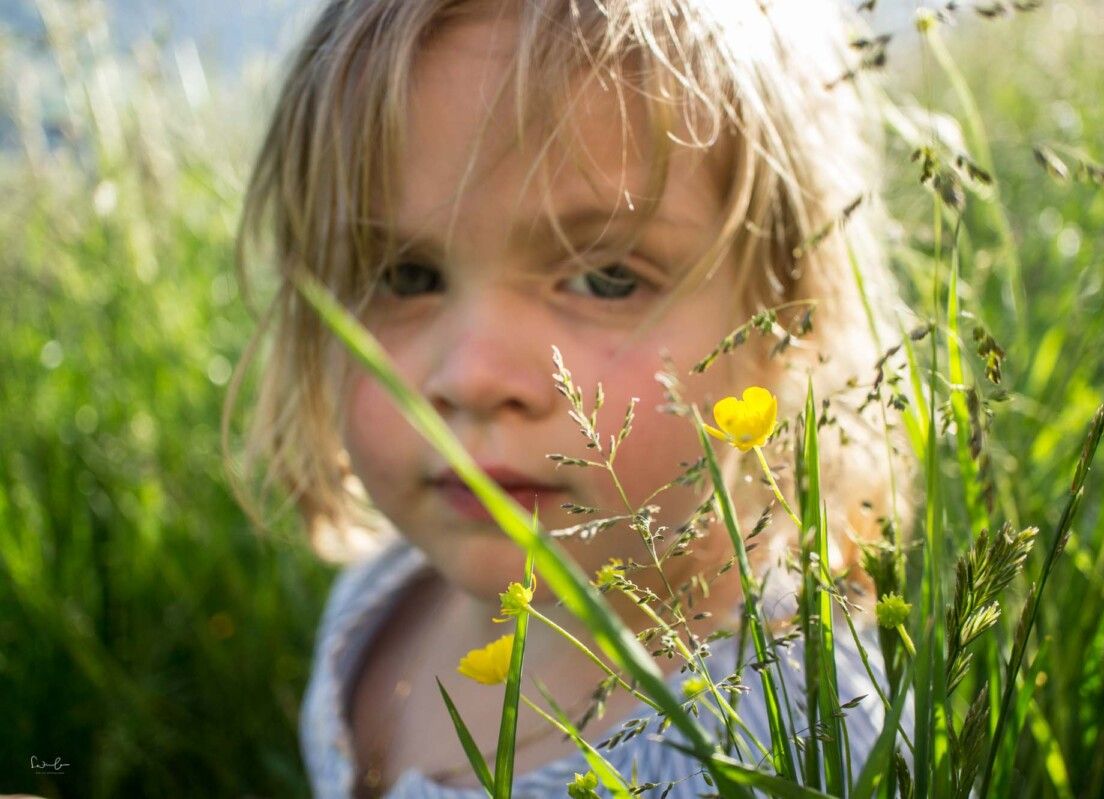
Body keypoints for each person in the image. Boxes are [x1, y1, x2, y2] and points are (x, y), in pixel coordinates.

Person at [229, 0, 911, 796]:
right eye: (405, 276)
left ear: (788, 316)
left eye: (605, 278)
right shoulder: (379, 600)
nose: (475, 376)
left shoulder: (793, 741)